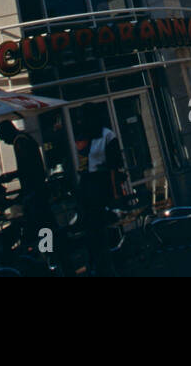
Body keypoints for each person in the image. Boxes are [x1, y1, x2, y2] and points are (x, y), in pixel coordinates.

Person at [78, 107, 126, 275]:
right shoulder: (86, 138)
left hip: (102, 185)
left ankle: (114, 263)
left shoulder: (107, 135)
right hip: (90, 188)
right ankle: (99, 265)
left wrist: (115, 192)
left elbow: (113, 166)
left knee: (107, 228)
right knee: (94, 232)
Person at [0, 120, 54, 247]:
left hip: (34, 192)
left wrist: (11, 176)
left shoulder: (20, 142)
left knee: (42, 225)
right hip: (36, 191)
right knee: (44, 225)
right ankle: (50, 252)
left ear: (8, 132)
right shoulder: (24, 139)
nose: (4, 142)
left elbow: (27, 169)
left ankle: (49, 253)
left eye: (3, 138)